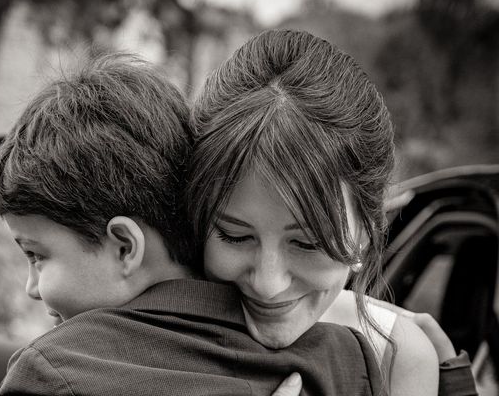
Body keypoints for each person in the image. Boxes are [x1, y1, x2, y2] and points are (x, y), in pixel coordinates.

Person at [0, 53, 386, 396]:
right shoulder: (350, 363)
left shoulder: (55, 373)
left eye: (35, 255)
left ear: (127, 246)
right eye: (235, 235)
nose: (268, 285)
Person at [184, 29, 473, 395]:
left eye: (307, 243)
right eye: (235, 235)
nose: (268, 285)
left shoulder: (396, 357)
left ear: (368, 231)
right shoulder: (139, 326)